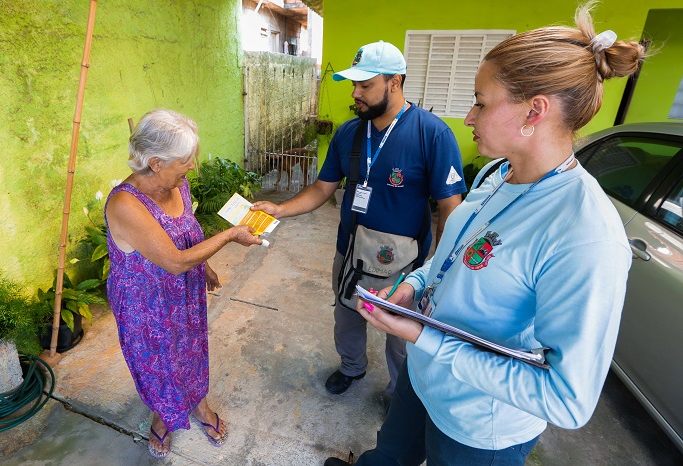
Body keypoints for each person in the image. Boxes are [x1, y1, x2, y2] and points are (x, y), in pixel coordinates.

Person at [324, 3, 646, 465]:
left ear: (534, 111)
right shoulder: (498, 175)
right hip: (426, 378)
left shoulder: (584, 234)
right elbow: (452, 253)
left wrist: (425, 338)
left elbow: (566, 398)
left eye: (480, 101)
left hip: (477, 425)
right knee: (390, 452)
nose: (469, 117)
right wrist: (413, 285)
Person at [252, 40, 466, 398]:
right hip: (350, 250)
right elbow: (322, 188)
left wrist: (435, 272)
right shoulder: (349, 132)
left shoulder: (432, 133)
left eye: (365, 85)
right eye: (354, 84)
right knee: (347, 315)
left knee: (399, 333)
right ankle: (352, 366)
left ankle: (400, 390)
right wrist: (280, 209)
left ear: (395, 82)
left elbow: (450, 209)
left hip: (405, 261)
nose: (355, 93)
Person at [104, 109, 263, 458]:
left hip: (183, 293)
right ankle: (164, 416)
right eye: (185, 160)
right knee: (159, 364)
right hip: (145, 303)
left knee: (191, 352)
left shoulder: (177, 184)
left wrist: (203, 265)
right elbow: (174, 261)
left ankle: (200, 406)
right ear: (157, 162)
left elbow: (187, 235)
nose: (191, 166)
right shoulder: (125, 204)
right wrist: (231, 235)